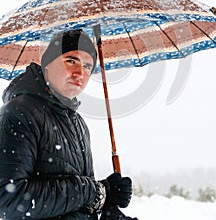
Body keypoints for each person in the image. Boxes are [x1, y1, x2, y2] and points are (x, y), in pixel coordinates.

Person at [0, 29, 137, 220]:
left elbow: (78, 202)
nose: (79, 73)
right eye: (71, 61)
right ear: (47, 64)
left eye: (88, 66)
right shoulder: (19, 113)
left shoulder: (78, 124)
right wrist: (92, 191)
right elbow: (8, 202)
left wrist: (107, 202)